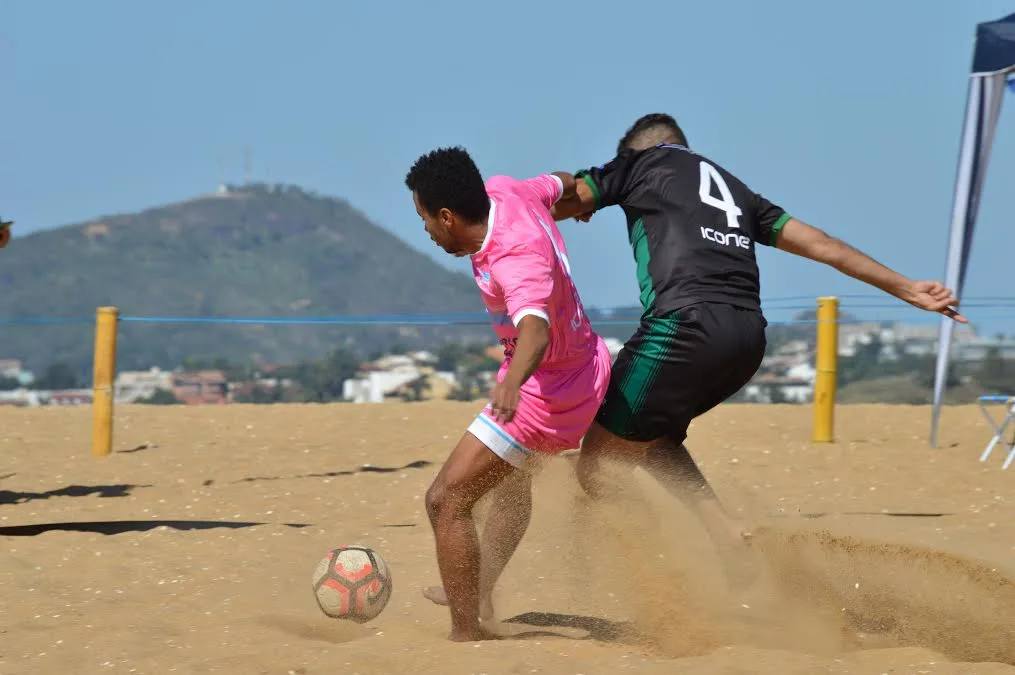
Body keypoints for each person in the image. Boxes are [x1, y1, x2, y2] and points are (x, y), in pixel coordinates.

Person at [547, 112, 968, 577]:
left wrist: (513, 209)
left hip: (683, 328)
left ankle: (664, 584)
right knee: (654, 431)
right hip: (748, 340)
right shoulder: (734, 190)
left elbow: (560, 202)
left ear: (636, 150)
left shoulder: (638, 166)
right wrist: (907, 288)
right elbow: (822, 244)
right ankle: (724, 530)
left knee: (597, 469)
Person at [404, 146, 613, 641]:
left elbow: (535, 332)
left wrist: (512, 384)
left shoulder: (513, 258)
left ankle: (465, 633)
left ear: (449, 217)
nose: (426, 231)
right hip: (585, 367)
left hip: (549, 394)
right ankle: (477, 589)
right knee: (510, 484)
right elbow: (561, 182)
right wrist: (585, 200)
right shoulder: (507, 191)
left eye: (426, 220)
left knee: (446, 500)